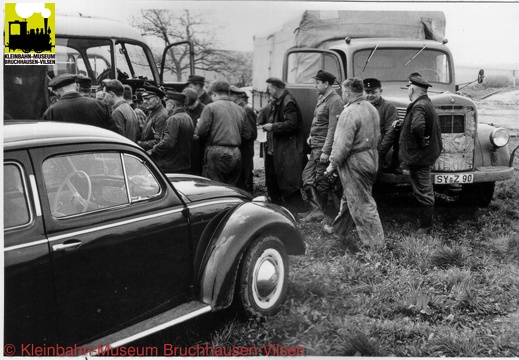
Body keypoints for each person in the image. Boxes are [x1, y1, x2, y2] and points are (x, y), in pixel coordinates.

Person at [324, 77, 384, 250]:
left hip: (355, 161)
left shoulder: (349, 112)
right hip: (371, 158)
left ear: (348, 92)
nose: (342, 94)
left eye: (342, 91)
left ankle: (376, 245)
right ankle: (337, 230)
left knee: (362, 203)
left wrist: (332, 165)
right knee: (349, 196)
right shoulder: (371, 108)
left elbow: (342, 144)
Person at [399, 72, 443, 235]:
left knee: (424, 191)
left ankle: (426, 227)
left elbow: (417, 126)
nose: (408, 90)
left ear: (412, 88)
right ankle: (425, 224)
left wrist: (420, 143)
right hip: (422, 156)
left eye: (409, 87)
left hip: (420, 158)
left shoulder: (419, 105)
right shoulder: (426, 103)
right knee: (422, 189)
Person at [300, 70, 343, 222]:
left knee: (321, 180)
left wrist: (326, 151)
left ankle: (324, 213)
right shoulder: (322, 98)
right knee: (308, 177)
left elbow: (333, 128)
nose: (315, 85)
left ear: (326, 84)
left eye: (318, 83)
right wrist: (312, 135)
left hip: (323, 147)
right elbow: (319, 121)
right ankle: (317, 210)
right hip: (316, 145)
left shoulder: (335, 101)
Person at [194, 80, 250, 186]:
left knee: (215, 187)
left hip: (216, 152)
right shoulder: (240, 109)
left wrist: (198, 126)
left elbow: (201, 132)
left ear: (214, 93)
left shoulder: (210, 108)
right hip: (236, 153)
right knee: (232, 187)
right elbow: (247, 135)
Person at [259, 77, 304, 206]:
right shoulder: (278, 101)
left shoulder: (288, 102)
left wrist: (272, 127)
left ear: (275, 88)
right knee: (275, 177)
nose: (268, 91)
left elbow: (292, 124)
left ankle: (295, 208)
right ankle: (277, 204)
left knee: (288, 180)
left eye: (269, 89)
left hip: (285, 148)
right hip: (275, 148)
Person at [42, 73, 121, 134]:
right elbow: (117, 134)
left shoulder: (51, 112)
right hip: (98, 154)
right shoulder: (100, 105)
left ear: (56, 92)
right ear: (77, 86)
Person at [147, 91, 194, 173]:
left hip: (171, 165)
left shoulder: (173, 119)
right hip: (183, 164)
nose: (165, 106)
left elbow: (168, 143)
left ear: (172, 105)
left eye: (166, 103)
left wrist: (153, 150)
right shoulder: (187, 117)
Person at [363, 78, 401, 175]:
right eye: (367, 92)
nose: (370, 95)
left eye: (373, 92)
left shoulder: (388, 107)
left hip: (378, 152)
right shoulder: (359, 106)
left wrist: (379, 153)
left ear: (380, 91)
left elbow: (390, 133)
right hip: (361, 152)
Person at [230, 85, 258, 193]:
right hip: (240, 150)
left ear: (234, 97)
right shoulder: (238, 109)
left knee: (245, 178)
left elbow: (252, 134)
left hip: (245, 150)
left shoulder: (246, 110)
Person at [183, 87, 206, 175]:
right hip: (189, 148)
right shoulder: (187, 110)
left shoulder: (204, 110)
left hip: (200, 149)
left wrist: (200, 136)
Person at [137, 85, 168, 151]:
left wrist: (140, 144)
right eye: (144, 99)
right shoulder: (153, 112)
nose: (144, 102)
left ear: (156, 99)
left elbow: (159, 142)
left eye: (147, 99)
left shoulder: (161, 116)